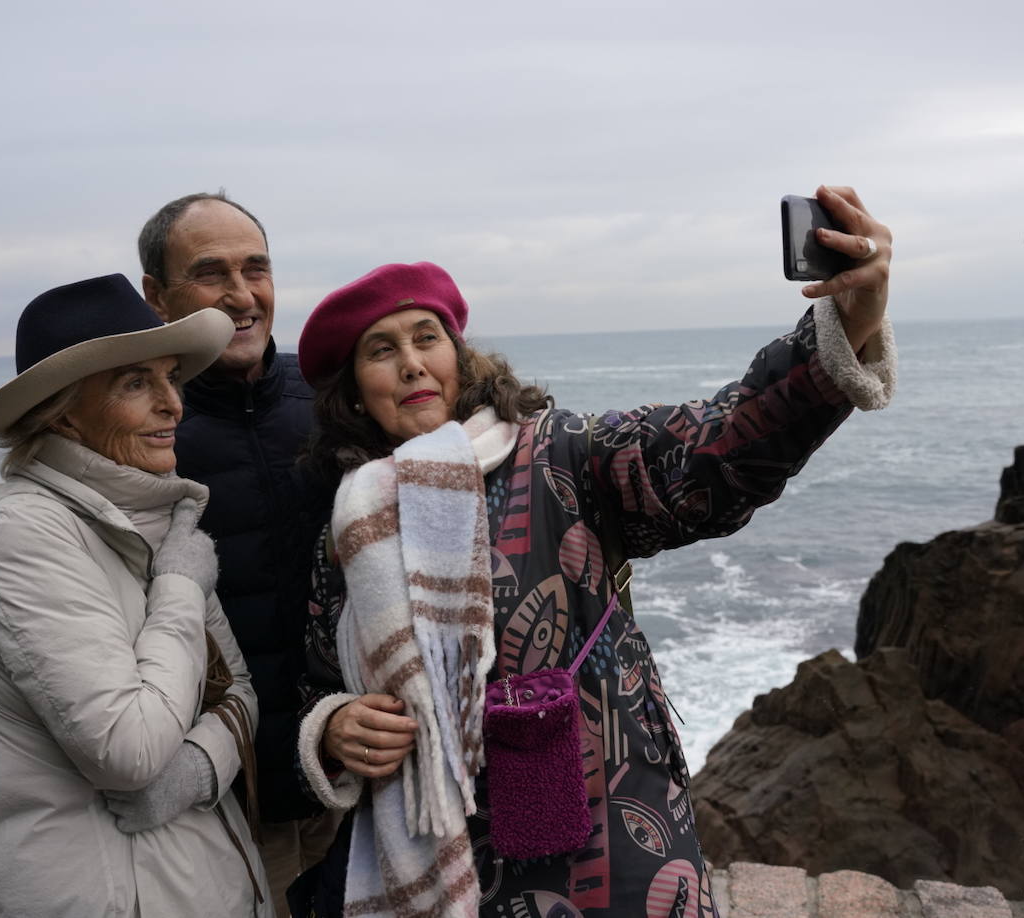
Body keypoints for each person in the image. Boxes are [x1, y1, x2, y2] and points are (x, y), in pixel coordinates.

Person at [293, 187, 897, 917]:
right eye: (382, 352)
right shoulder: (352, 519)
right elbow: (322, 676)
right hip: (439, 855)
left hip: (608, 831)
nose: (413, 364)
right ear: (356, 392)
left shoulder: (560, 453)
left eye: (427, 338)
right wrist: (332, 728)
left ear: (460, 356)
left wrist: (847, 323)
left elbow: (716, 448)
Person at [0, 274, 273, 917]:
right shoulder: (24, 531)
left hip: (194, 881)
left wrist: (196, 771)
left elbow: (239, 694)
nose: (173, 404)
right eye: (136, 383)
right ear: (63, 411)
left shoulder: (153, 516)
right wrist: (178, 586)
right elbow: (130, 748)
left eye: (171, 377)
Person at [137, 192, 336, 914]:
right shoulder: (141, 434)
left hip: (350, 774)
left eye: (257, 268)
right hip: (224, 797)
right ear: (156, 297)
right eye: (211, 272)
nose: (242, 295)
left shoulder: (330, 404)